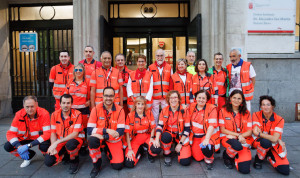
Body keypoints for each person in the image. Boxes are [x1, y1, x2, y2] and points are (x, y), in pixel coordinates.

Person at [87, 87, 125, 178]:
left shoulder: (120, 110)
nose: (108, 98)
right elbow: (89, 130)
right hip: (100, 137)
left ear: (115, 97)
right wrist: (105, 130)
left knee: (118, 166)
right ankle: (97, 165)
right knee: (92, 140)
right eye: (106, 96)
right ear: (102, 96)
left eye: (111, 96)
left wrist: (104, 137)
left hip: (112, 140)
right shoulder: (95, 109)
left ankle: (107, 150)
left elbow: (120, 131)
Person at [4, 96, 51, 168]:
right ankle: (28, 156)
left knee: (45, 148)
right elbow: (10, 133)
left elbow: (47, 134)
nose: (30, 109)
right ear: (23, 106)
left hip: (39, 139)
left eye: (32, 106)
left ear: (37, 104)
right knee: (8, 146)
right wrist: (19, 147)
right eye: (27, 107)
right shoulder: (18, 115)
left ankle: (46, 154)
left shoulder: (44, 113)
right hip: (24, 138)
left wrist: (28, 146)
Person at [44, 94, 85, 174]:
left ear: (71, 104)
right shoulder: (54, 115)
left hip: (75, 140)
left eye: (68, 103)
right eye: (63, 103)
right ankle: (64, 155)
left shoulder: (77, 114)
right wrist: (53, 146)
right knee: (48, 161)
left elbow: (75, 134)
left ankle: (74, 161)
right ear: (60, 104)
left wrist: (57, 142)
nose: (65, 105)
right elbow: (53, 132)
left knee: (70, 144)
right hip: (61, 141)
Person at [151, 90, 191, 167]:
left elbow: (187, 129)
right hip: (169, 134)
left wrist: (180, 144)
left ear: (179, 99)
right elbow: (160, 126)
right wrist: (156, 140)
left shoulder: (184, 111)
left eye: (175, 97)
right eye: (171, 98)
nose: (173, 100)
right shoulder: (165, 110)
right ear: (168, 100)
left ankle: (178, 147)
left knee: (185, 161)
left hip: (181, 136)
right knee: (165, 137)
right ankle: (167, 154)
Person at [252, 95, 289, 175]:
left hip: (274, 144)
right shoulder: (255, 115)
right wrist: (275, 138)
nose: (266, 107)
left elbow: (274, 138)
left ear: (273, 106)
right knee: (265, 142)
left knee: (285, 170)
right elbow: (255, 132)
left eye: (268, 104)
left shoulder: (280, 119)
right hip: (260, 142)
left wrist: (261, 134)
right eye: (263, 104)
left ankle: (268, 155)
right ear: (261, 106)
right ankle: (258, 159)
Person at [219, 89, 253, 174]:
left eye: (239, 98)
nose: (236, 100)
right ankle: (227, 156)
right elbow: (223, 129)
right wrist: (238, 135)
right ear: (230, 98)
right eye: (234, 98)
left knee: (244, 170)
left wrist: (240, 136)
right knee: (236, 146)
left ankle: (236, 155)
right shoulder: (223, 111)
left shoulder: (247, 113)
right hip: (228, 138)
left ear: (242, 100)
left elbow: (249, 131)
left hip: (243, 139)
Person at [188, 90, 219, 170]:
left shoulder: (211, 108)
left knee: (207, 146)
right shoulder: (192, 106)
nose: (201, 100)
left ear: (207, 99)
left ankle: (209, 159)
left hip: (206, 136)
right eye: (199, 97)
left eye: (203, 98)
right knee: (198, 158)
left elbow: (211, 126)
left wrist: (207, 139)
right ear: (195, 98)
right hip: (195, 137)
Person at [124, 96, 159, 168]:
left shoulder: (148, 113)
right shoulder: (130, 115)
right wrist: (130, 149)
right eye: (138, 103)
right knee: (129, 163)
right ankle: (140, 152)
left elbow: (153, 127)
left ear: (145, 105)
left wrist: (152, 138)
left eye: (142, 104)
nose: (140, 106)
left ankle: (150, 154)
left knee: (156, 149)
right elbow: (127, 133)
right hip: (135, 139)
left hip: (147, 136)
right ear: (135, 104)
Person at [65, 63, 90, 153]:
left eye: (80, 70)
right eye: (76, 70)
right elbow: (66, 95)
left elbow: (91, 94)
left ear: (83, 71)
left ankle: (83, 146)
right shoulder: (70, 81)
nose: (78, 71)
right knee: (73, 128)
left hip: (84, 109)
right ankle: (74, 145)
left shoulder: (87, 81)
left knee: (84, 128)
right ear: (74, 71)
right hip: (72, 110)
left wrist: (90, 101)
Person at [148, 49, 172, 124]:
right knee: (155, 115)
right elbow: (148, 82)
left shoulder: (169, 67)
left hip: (166, 96)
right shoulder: (150, 67)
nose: (160, 57)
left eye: (161, 55)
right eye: (158, 56)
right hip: (155, 96)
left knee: (166, 114)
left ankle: (165, 129)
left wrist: (170, 95)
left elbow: (171, 81)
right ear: (155, 57)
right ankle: (155, 131)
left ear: (164, 56)